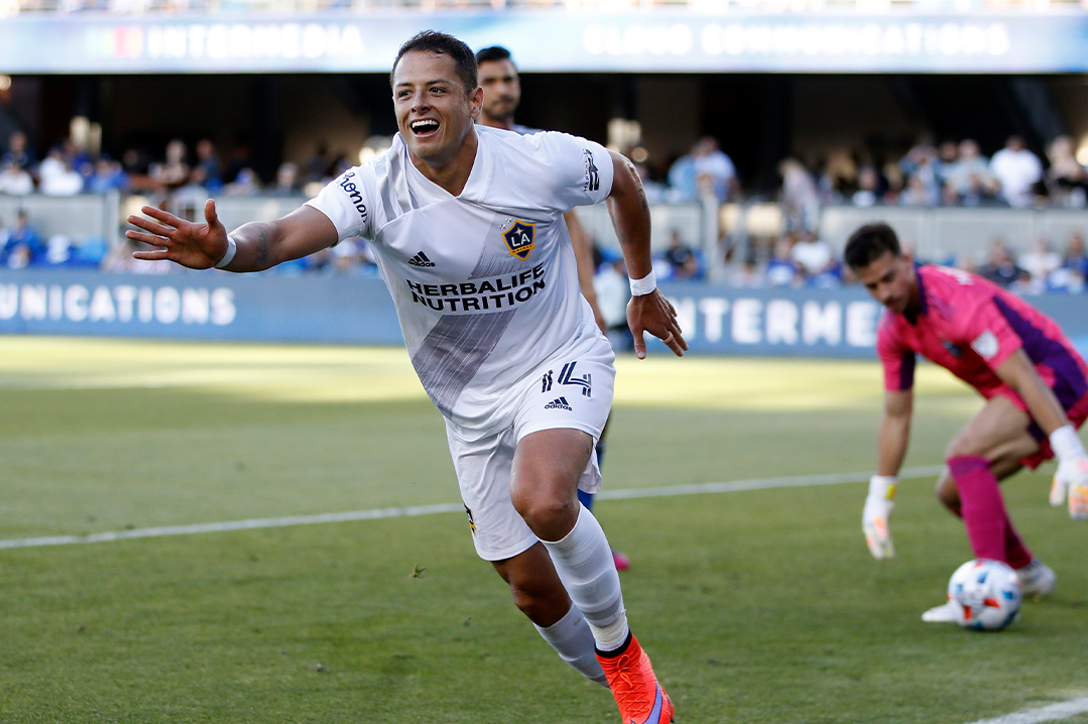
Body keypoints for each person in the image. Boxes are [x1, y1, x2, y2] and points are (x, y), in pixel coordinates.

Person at [126, 31, 684, 724]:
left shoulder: (539, 160)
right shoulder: (374, 188)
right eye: (403, 93)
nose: (417, 104)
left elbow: (624, 182)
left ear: (474, 101)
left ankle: (626, 665)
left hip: (560, 358)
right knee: (532, 593)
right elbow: (278, 238)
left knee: (543, 498)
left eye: (436, 89)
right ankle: (639, 697)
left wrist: (643, 286)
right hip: (468, 409)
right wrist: (227, 249)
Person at [842, 222, 1088, 624]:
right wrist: (879, 497)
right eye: (872, 287)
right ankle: (1028, 574)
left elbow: (1023, 375)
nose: (886, 293)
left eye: (890, 277)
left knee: (963, 451)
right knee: (952, 492)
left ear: (907, 260)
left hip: (1059, 381)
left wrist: (1072, 454)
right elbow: (896, 415)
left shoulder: (957, 303)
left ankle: (986, 587)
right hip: (1020, 392)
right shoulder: (894, 330)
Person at [475, 44, 632, 572]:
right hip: (491, 324)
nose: (504, 88)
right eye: (492, 80)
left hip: (555, 317)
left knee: (594, 413)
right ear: (473, 92)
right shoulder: (458, 154)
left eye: (509, 79)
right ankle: (525, 540)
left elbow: (570, 223)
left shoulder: (536, 150)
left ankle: (577, 530)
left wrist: (589, 294)